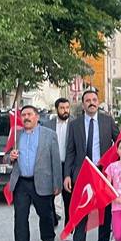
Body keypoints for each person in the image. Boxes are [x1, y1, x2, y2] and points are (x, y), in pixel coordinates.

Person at [64, 89, 119, 241]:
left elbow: (120, 143)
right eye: (87, 100)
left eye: (94, 99)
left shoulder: (107, 121)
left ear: (98, 102)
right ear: (83, 104)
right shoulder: (74, 125)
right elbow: (70, 151)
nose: (91, 102)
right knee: (80, 211)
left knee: (105, 211)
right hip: (82, 174)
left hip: (103, 173)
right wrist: (67, 175)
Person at [7, 105, 62, 241]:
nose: (26, 117)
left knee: (45, 214)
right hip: (21, 182)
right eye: (23, 115)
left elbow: (55, 160)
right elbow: (6, 157)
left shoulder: (49, 135)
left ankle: (48, 238)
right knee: (20, 217)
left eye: (29, 114)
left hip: (42, 181)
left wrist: (57, 182)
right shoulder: (16, 136)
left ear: (37, 117)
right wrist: (10, 157)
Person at [42, 97, 72, 230]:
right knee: (50, 195)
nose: (65, 111)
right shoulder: (48, 125)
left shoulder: (74, 124)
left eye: (67, 108)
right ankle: (53, 218)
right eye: (62, 108)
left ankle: (68, 227)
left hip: (68, 164)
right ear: (57, 109)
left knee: (68, 197)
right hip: (52, 165)